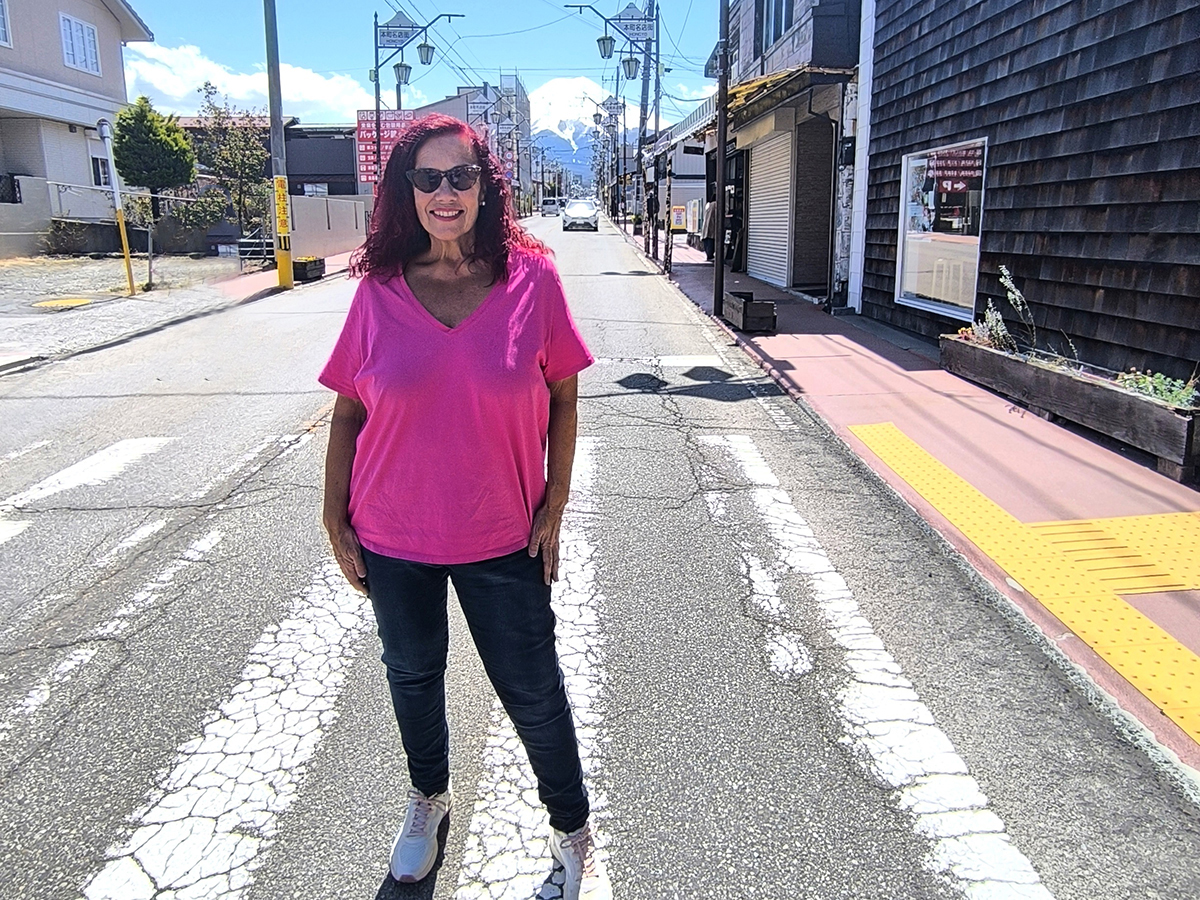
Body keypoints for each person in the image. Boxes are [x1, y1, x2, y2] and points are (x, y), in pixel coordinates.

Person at [319, 113, 610, 900]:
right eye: (428, 178)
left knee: (533, 692)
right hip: (393, 533)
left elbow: (564, 396)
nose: (444, 193)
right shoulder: (378, 291)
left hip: (503, 533)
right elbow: (347, 412)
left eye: (461, 176)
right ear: (406, 190)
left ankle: (573, 832)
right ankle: (428, 799)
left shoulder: (532, 281)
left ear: (487, 187)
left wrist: (555, 503)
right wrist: (331, 512)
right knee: (412, 676)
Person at [701, 187, 717, 261]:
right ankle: (710, 256)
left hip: (706, 225)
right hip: (712, 225)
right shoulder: (716, 204)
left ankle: (708, 255)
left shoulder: (708, 205)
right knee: (711, 239)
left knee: (707, 239)